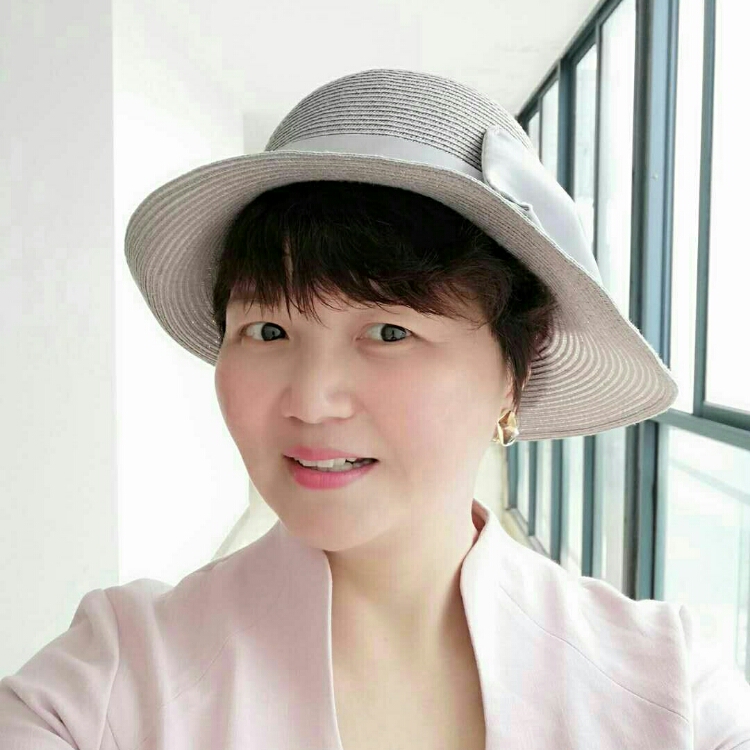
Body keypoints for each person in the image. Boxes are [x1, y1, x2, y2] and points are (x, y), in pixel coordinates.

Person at [2, 67, 748, 750]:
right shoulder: (114, 680)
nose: (310, 401)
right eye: (268, 331)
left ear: (512, 376)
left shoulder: (673, 690)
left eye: (390, 332)